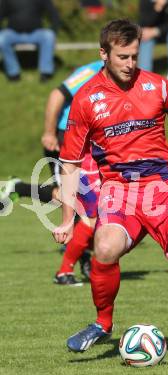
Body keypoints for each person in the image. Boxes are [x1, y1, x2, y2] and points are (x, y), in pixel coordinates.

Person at [53, 19, 168, 364]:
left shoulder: (158, 87)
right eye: (123, 57)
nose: (131, 64)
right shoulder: (85, 100)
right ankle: (103, 322)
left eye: (135, 56)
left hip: (163, 185)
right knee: (104, 247)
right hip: (118, 188)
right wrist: (68, 218)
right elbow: (69, 163)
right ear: (104, 54)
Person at [0, 60, 103, 284]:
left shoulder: (123, 77)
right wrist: (49, 132)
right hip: (66, 138)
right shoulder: (90, 71)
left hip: (92, 141)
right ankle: (79, 263)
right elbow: (57, 95)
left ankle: (20, 188)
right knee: (75, 200)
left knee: (75, 198)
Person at [0, 0, 60, 81]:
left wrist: (54, 29)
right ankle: (13, 73)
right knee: (2, 38)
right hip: (13, 33)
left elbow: (53, 13)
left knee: (49, 36)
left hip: (36, 33)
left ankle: (46, 73)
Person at [138, 0, 168, 72]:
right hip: (151, 34)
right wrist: (157, 8)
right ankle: (144, 76)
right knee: (145, 36)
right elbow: (144, 23)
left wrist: (157, 31)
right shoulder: (145, 1)